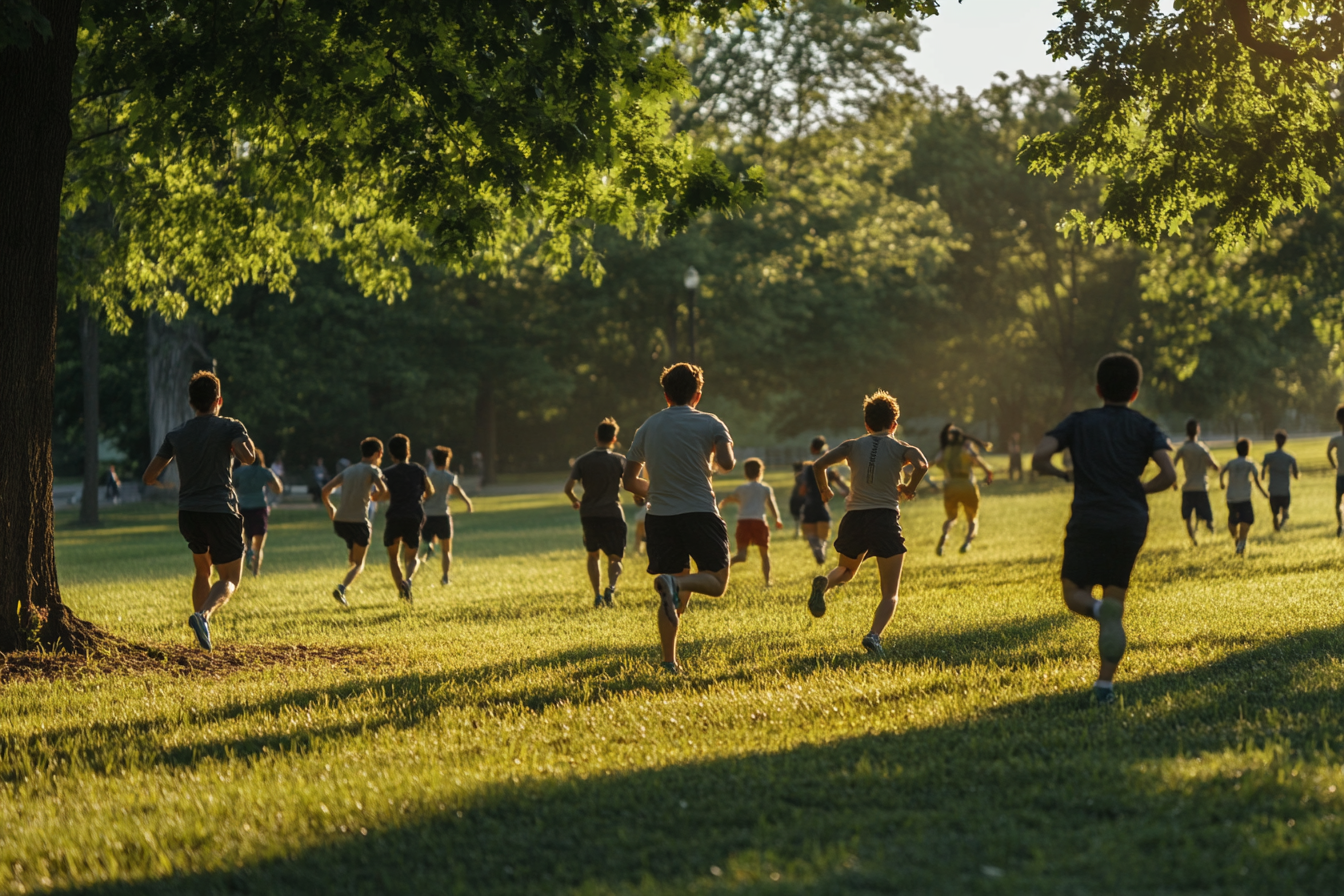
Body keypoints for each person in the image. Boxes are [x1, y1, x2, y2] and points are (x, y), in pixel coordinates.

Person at [1032, 352, 1176, 706]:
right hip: (1130, 521)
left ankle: (1096, 611)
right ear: (1135, 392)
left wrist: (1063, 474)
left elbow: (1039, 456)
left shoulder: (1079, 422)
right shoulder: (1145, 426)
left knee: (1074, 593)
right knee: (1116, 601)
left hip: (1090, 518)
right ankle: (1104, 686)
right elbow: (1169, 475)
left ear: (1098, 388)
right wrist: (1138, 490)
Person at [622, 362, 735, 674]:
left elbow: (629, 482)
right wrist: (724, 448)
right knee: (716, 583)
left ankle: (669, 662)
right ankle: (673, 582)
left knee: (674, 597)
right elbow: (726, 463)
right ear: (697, 395)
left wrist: (655, 489)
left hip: (659, 517)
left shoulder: (647, 427)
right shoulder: (711, 422)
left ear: (666, 394)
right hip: (699, 511)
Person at [805, 391, 928, 657]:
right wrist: (909, 487)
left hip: (854, 518)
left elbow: (819, 464)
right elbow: (922, 464)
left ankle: (825, 583)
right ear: (894, 424)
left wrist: (825, 490)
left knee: (846, 570)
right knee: (890, 593)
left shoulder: (852, 445)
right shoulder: (902, 448)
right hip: (883, 518)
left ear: (866, 423)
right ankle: (874, 636)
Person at [142, 371, 256, 651]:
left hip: (189, 513)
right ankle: (203, 616)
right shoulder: (230, 426)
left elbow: (149, 476)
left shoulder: (176, 434)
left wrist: (163, 482)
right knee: (229, 578)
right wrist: (236, 437)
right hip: (221, 510)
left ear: (191, 402)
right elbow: (249, 457)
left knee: (203, 571)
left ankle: (202, 636)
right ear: (219, 400)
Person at [565, 418, 632, 608]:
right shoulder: (619, 460)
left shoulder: (582, 461)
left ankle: (597, 595)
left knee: (593, 555)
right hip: (613, 512)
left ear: (596, 436)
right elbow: (630, 483)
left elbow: (568, 488)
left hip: (589, 514)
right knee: (615, 557)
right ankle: (611, 588)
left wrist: (576, 501)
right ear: (614, 438)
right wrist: (638, 497)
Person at [321, 437, 389, 606]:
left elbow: (325, 490)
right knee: (360, 564)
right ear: (378, 453)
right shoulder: (373, 470)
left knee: (352, 558)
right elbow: (384, 491)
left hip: (340, 522)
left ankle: (352, 557)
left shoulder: (348, 471)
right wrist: (375, 497)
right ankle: (342, 588)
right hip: (359, 522)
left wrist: (330, 508)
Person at [382, 433, 432, 603]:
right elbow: (430, 491)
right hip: (414, 515)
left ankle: (402, 592)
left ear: (391, 453)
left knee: (394, 558)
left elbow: (381, 494)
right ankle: (408, 580)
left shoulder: (387, 473)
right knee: (412, 557)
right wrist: (418, 498)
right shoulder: (418, 470)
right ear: (408, 451)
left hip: (395, 515)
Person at [719, 458, 784, 585]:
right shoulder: (765, 489)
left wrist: (723, 503)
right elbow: (771, 505)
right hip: (759, 522)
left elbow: (734, 499)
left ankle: (723, 569)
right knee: (764, 555)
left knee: (741, 555)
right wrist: (777, 519)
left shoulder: (741, 489)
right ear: (760, 472)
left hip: (743, 523)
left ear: (745, 473)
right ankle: (767, 582)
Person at [930, 424, 993, 555]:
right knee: (972, 519)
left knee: (951, 518)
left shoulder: (946, 450)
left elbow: (935, 462)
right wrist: (988, 472)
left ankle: (945, 536)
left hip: (950, 486)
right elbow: (976, 459)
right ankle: (967, 542)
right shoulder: (966, 447)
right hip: (967, 485)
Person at [421, 445, 474, 586]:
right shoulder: (450, 477)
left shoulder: (428, 476)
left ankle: (430, 546)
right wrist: (468, 503)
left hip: (428, 515)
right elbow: (457, 490)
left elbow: (423, 494)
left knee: (426, 542)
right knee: (446, 550)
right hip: (443, 515)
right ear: (447, 460)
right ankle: (445, 577)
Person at [798, 436, 850, 563]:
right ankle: (821, 548)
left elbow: (803, 489)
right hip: (822, 506)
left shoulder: (808, 467)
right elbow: (842, 486)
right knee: (825, 533)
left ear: (812, 448)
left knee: (810, 534)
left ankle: (816, 548)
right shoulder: (828, 467)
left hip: (809, 505)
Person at [234, 447, 283, 577]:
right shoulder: (264, 471)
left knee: (246, 540)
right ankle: (256, 572)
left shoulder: (239, 472)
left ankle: (246, 558)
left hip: (243, 508)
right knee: (259, 545)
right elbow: (278, 489)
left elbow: (229, 486)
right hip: (259, 508)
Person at [1173, 418, 1219, 546]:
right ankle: (1214, 537)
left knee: (1188, 517)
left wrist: (1174, 482)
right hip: (1201, 487)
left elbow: (1173, 465)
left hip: (1187, 487)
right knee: (1208, 517)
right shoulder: (1202, 449)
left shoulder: (1183, 449)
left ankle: (1193, 540)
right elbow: (1213, 466)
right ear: (1198, 430)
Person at [1221, 438, 1268, 556]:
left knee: (1233, 520)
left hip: (1231, 497)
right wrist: (1264, 493)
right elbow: (1257, 480)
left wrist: (1221, 483)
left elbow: (1222, 471)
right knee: (1246, 520)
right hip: (1244, 498)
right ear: (1248, 450)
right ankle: (1241, 542)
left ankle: (1237, 539)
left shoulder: (1231, 462)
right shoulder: (1250, 463)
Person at [1261, 429, 1299, 532]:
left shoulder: (1268, 456)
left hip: (1273, 489)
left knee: (1274, 511)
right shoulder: (1290, 457)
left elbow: (1263, 470)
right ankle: (1281, 524)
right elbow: (1296, 474)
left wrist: (1263, 477)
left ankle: (1275, 521)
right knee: (1285, 511)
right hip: (1285, 489)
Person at [1328, 404, 1344, 537]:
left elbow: (1328, 451)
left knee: (1338, 501)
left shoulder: (1336, 439)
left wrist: (1334, 464)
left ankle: (1340, 524)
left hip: (1340, 475)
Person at [788, 461, 806, 538]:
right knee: (799, 515)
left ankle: (800, 531)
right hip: (799, 496)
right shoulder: (801, 476)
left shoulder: (800, 477)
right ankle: (799, 531)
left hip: (799, 496)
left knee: (800, 515)